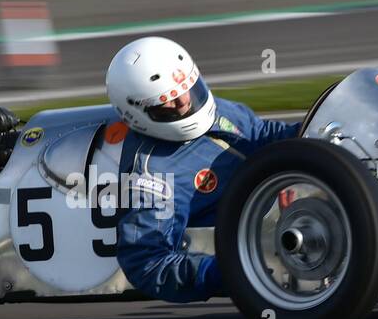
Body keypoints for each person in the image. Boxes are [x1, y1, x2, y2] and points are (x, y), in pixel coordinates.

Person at [106, 36, 299, 303]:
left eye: (189, 88)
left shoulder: (212, 108)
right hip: (254, 237)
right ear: (138, 112)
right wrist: (230, 270)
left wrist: (316, 129)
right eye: (168, 101)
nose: (185, 101)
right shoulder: (152, 175)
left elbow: (264, 135)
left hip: (272, 200)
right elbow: (147, 263)